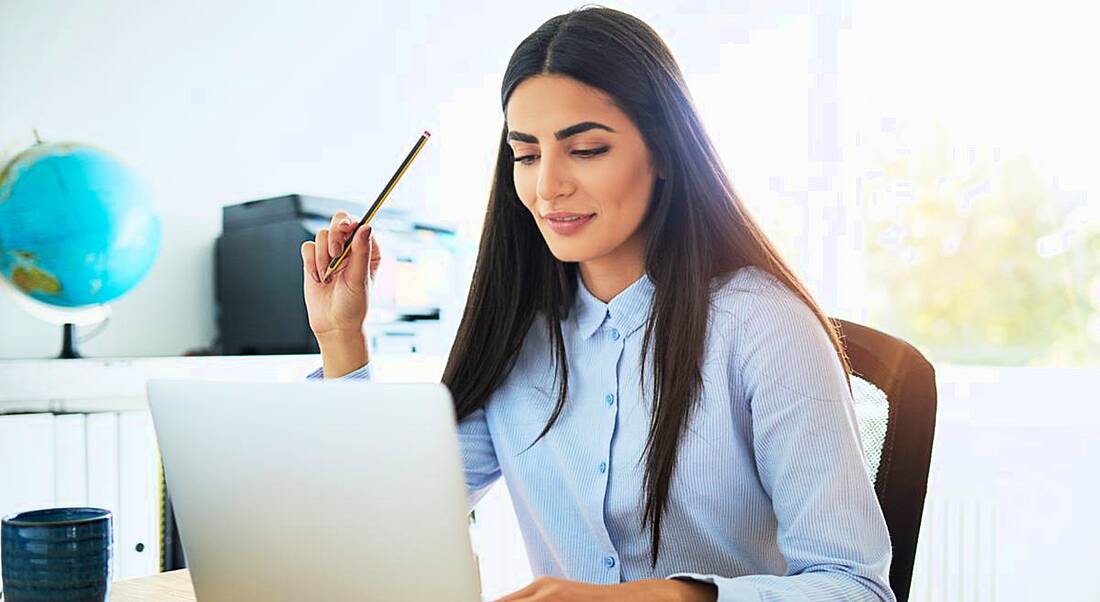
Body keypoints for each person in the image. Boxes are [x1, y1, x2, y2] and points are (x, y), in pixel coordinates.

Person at [301, 6, 894, 602]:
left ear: (663, 152)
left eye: (585, 149)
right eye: (527, 155)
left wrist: (661, 597)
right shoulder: (517, 334)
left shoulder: (764, 326)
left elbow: (854, 588)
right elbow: (383, 520)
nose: (546, 186)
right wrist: (339, 334)